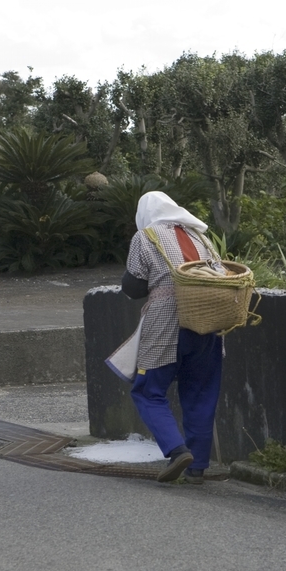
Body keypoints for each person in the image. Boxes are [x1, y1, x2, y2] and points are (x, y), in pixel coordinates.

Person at [118, 191, 224, 484]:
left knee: (147, 391)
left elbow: (134, 287)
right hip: (206, 322)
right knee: (200, 392)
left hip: (166, 324)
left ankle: (177, 451)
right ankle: (197, 467)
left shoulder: (146, 237)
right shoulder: (200, 236)